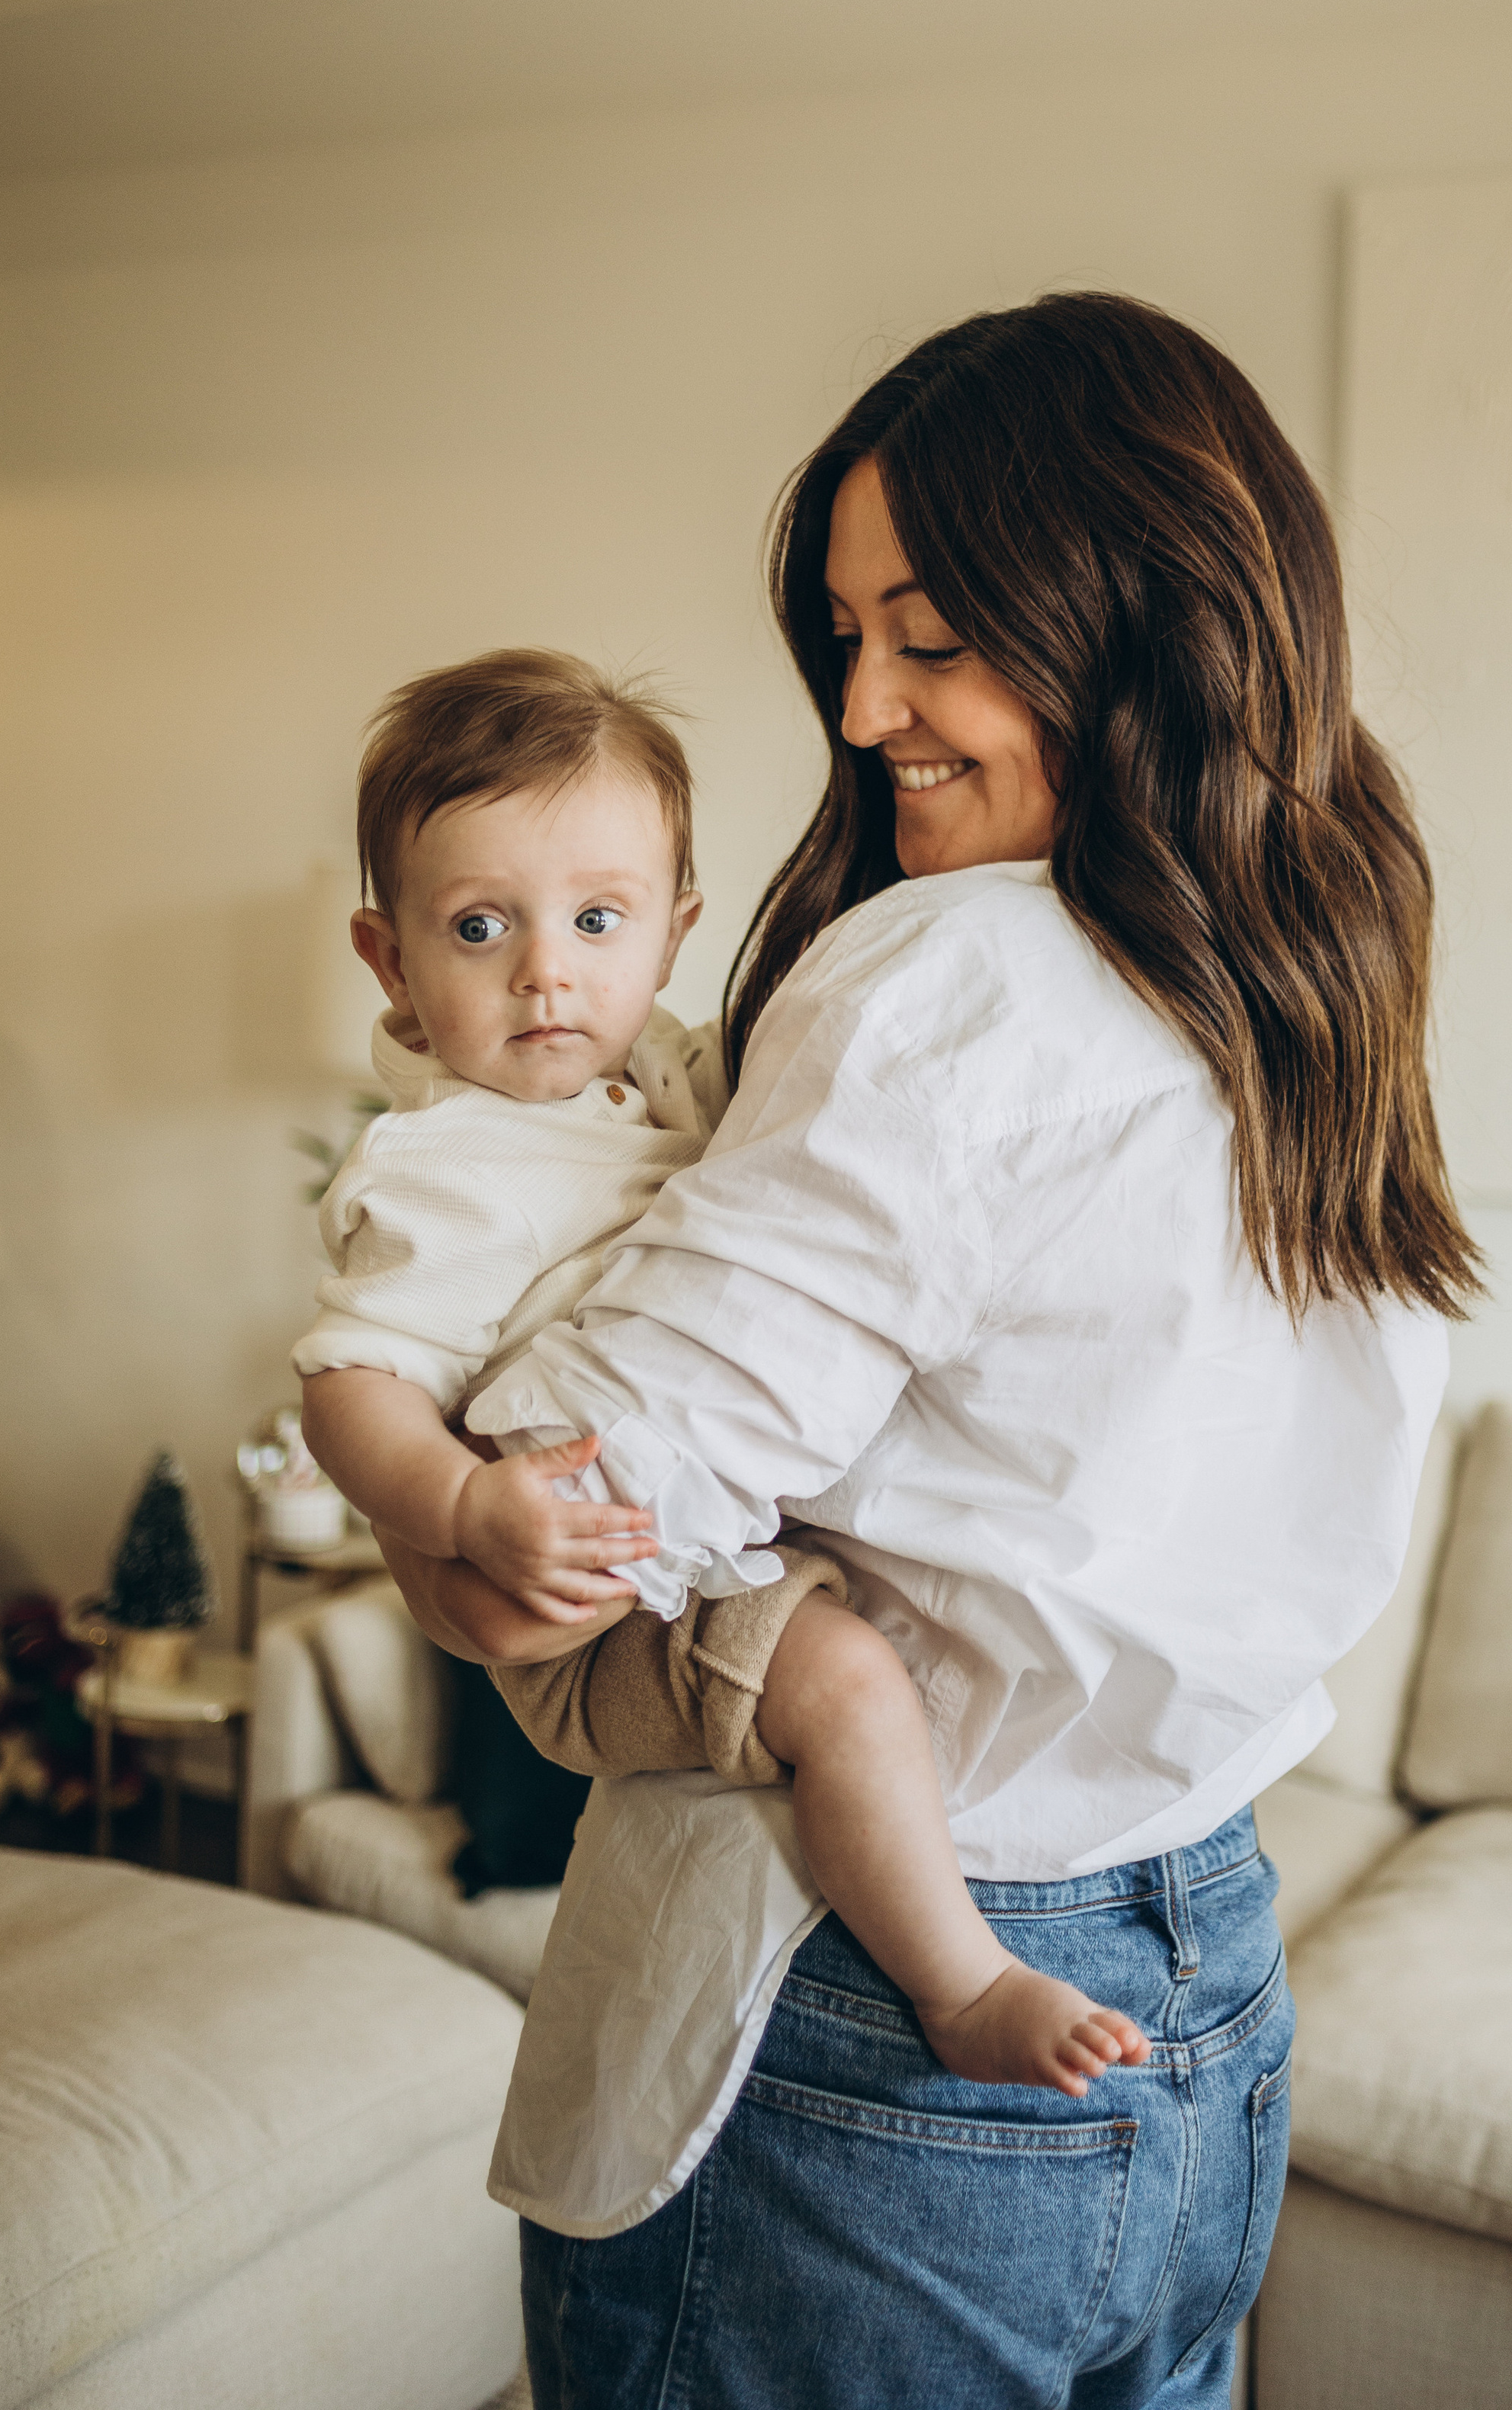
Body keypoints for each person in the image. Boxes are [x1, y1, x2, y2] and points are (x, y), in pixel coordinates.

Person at [383, 294, 1479, 2409]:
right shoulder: (1317, 957)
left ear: (1131, 612)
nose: (870, 701)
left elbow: (570, 1515)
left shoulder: (951, 978)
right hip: (1208, 1986)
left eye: (936, 632)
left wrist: (428, 1478)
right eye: (848, 634)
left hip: (877, 2001)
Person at [297, 648, 1150, 2093]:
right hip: (597, 1612)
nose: (546, 971)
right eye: (481, 926)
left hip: (680, 1556)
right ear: (391, 959)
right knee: (856, 1690)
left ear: (675, 929)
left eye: (597, 919)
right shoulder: (441, 1171)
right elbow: (347, 1389)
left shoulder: (679, 1076)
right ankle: (962, 1983)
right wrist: (460, 1509)